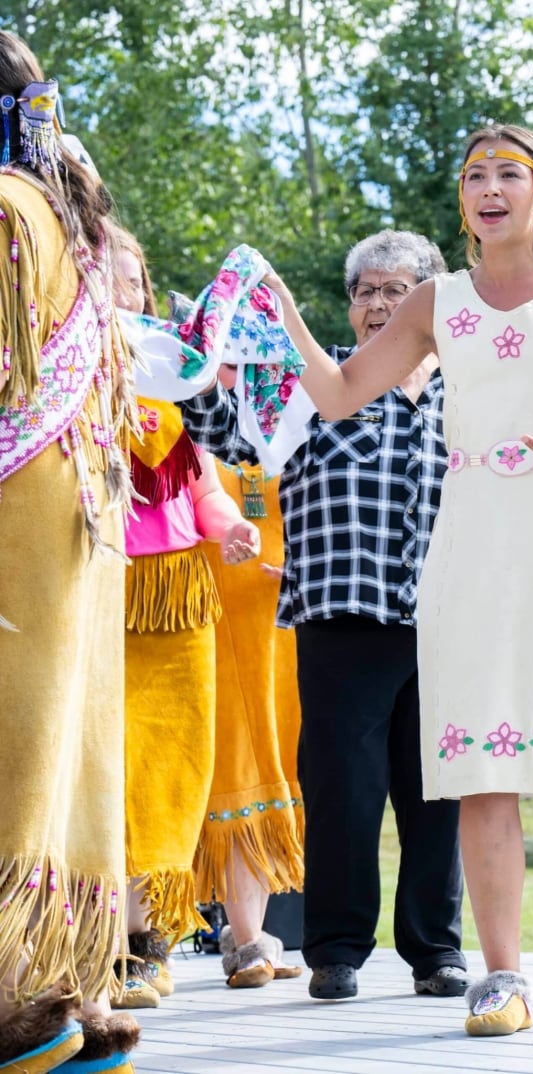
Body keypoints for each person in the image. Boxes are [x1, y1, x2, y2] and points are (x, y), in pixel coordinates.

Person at [253, 125, 533, 1034]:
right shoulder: (435, 302)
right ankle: (503, 977)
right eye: (474, 173)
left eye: (508, 174)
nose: (490, 187)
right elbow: (336, 394)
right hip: (472, 535)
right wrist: (284, 311)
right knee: (483, 770)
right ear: (463, 199)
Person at [179, 229, 469, 1003]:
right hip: (342, 611)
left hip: (449, 617)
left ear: (429, 298)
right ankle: (336, 950)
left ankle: (436, 949)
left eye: (394, 289)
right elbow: (220, 433)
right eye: (364, 291)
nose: (377, 304)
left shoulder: (471, 386)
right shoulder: (316, 380)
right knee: (340, 793)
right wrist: (200, 362)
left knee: (439, 793)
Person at [0, 31, 139, 1074]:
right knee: (67, 744)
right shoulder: (79, 220)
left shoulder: (8, 211)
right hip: (78, 514)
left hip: (23, 521)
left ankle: (17, 999)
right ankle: (73, 989)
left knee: (21, 742)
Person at [110, 226, 261, 1009]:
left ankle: (148, 944)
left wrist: (230, 526)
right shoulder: (50, 370)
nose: (120, 288)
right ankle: (87, 941)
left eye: (131, 276)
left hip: (173, 596)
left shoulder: (175, 373)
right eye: (99, 272)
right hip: (93, 590)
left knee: (171, 766)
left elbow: (202, 482)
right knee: (102, 770)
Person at [194, 362, 305, 990]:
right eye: (224, 353)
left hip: (285, 623)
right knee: (235, 770)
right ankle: (235, 939)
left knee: (272, 769)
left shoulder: (296, 417)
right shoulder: (186, 414)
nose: (238, 368)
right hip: (205, 616)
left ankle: (251, 939)